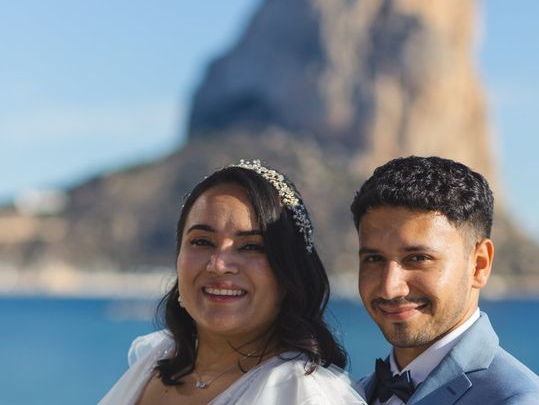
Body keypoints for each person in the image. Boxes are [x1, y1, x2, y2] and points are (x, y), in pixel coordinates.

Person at [99, 159, 365, 405]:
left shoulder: (304, 394)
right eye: (202, 241)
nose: (218, 265)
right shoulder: (155, 358)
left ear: (289, 271)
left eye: (250, 246)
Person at [351, 156, 539, 405]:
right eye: (374, 259)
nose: (390, 287)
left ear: (479, 264)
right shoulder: (350, 393)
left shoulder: (520, 400)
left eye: (418, 258)